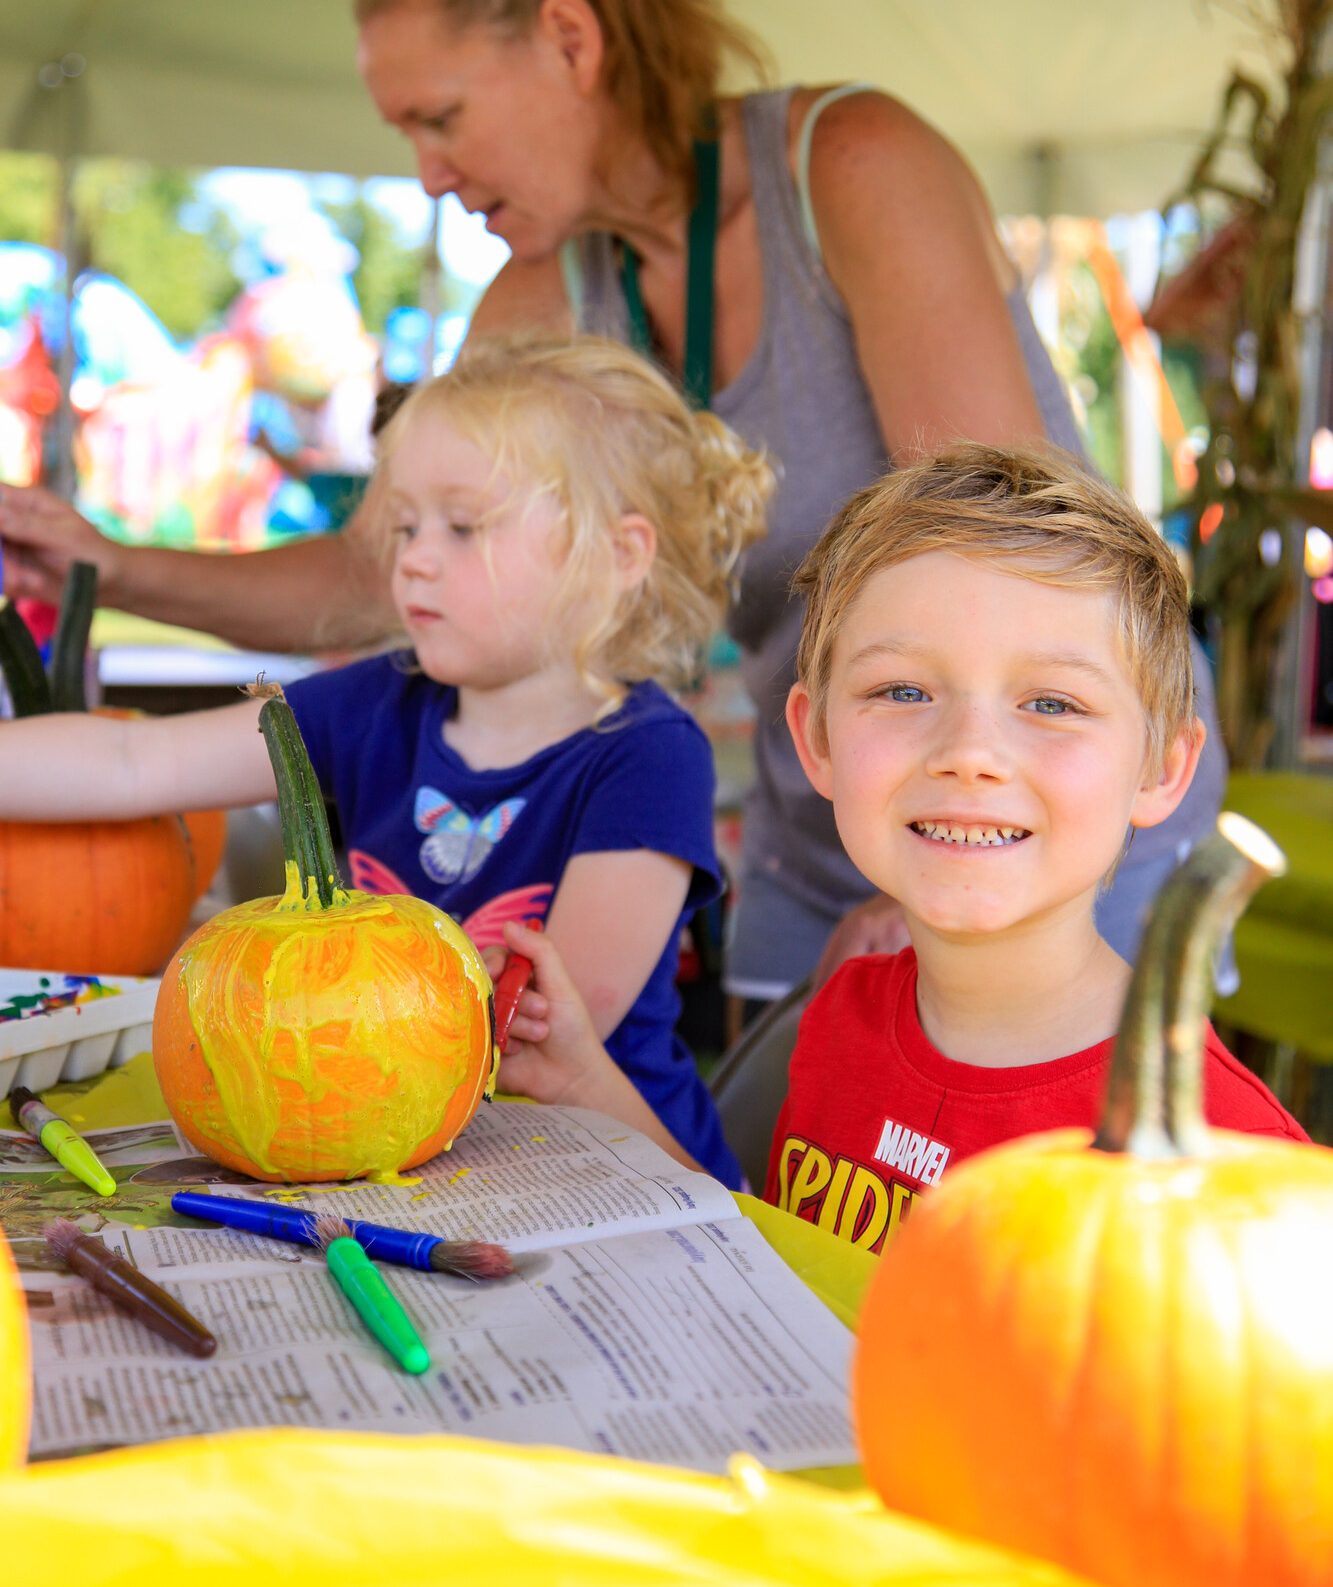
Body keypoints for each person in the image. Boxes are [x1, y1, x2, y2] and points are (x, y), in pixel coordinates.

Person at [0, 0, 1226, 1003]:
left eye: (441, 116)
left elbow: (993, 546)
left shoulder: (848, 170)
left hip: (1040, 823)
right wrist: (112, 563)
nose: (427, 172)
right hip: (833, 830)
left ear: (570, 40)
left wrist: (921, 891)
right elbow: (390, 570)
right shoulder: (542, 289)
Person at [0, 335, 773, 1186]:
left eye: (462, 526)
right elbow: (130, 761)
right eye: (405, 525)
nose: (413, 557)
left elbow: (535, 1019)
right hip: (412, 1141)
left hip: (610, 1169)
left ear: (618, 557)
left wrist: (264, 991)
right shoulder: (373, 702)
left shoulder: (649, 758)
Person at [485, 442, 1303, 1225]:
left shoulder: (1227, 1160)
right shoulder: (841, 1016)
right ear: (817, 740)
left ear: (1161, 768)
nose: (969, 755)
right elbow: (778, 1278)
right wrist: (582, 1077)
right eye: (904, 691)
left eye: (1051, 703)